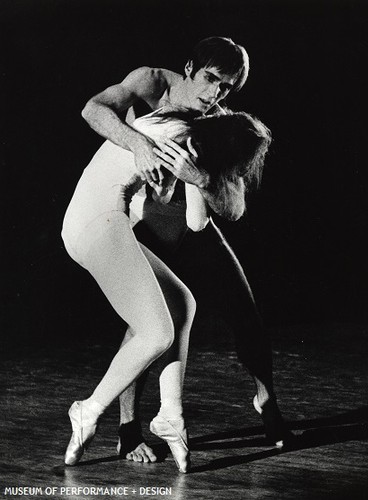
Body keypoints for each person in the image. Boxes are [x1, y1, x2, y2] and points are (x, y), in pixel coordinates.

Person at [80, 37, 291, 464]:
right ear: (190, 66)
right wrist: (138, 144)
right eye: (211, 79)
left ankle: (266, 402)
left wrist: (199, 177)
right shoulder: (150, 82)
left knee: (244, 308)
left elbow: (233, 208)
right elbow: (93, 110)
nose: (215, 94)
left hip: (192, 217)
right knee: (149, 324)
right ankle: (127, 430)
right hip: (143, 217)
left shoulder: (220, 122)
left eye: (227, 88)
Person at [62, 103, 271, 473]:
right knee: (156, 332)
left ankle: (170, 415)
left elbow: (183, 213)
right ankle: (88, 409)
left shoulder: (190, 138)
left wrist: (194, 177)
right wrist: (197, 177)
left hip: (106, 218)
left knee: (183, 304)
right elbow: (182, 212)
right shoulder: (181, 139)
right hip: (95, 220)